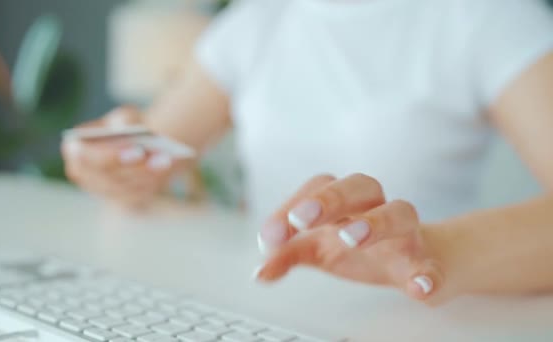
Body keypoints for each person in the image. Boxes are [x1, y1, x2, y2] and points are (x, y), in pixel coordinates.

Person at [62, 0, 553, 304]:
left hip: (422, 317)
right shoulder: (256, 21)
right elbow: (148, 155)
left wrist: (436, 251)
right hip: (257, 308)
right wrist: (105, 157)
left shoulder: (489, 17)